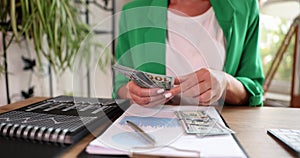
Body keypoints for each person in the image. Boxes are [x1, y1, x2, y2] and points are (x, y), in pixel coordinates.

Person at [113, 0, 264, 107]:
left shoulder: (245, 7)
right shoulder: (132, 13)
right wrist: (132, 93)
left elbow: (253, 90)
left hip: (219, 134)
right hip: (153, 133)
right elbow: (121, 85)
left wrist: (226, 84)